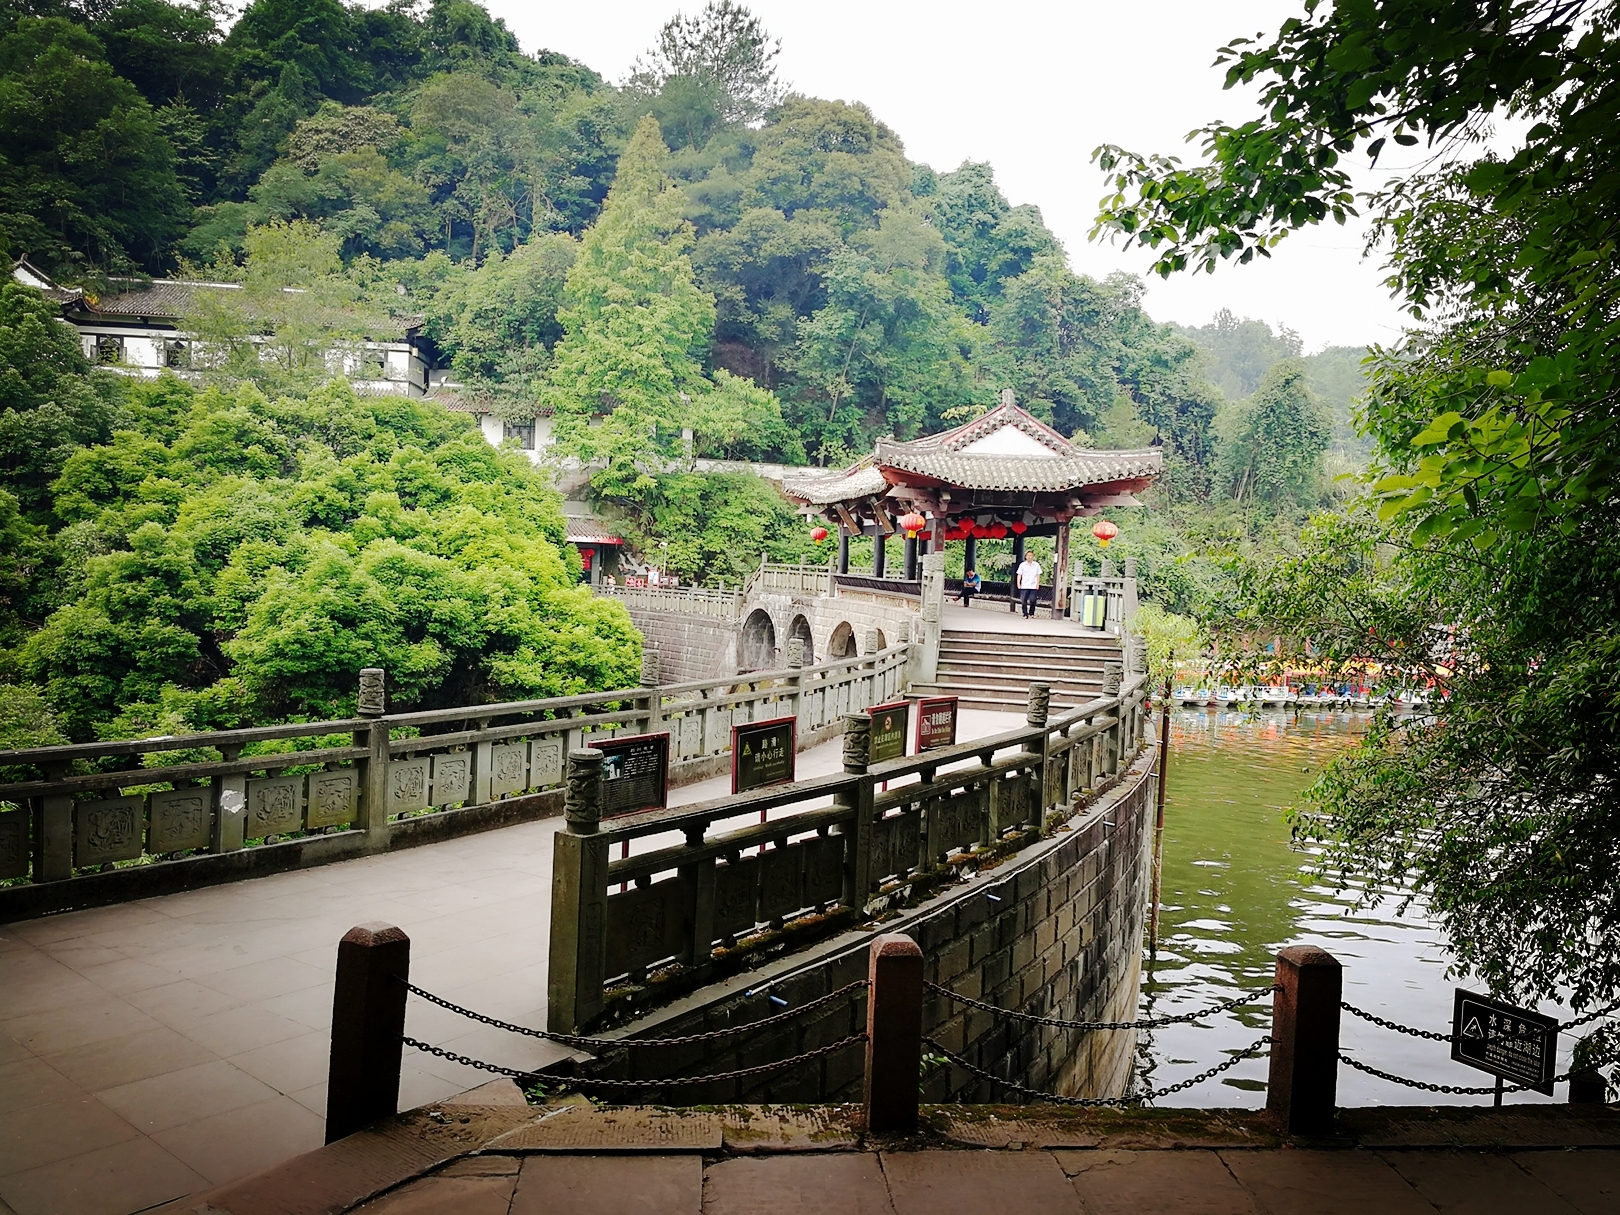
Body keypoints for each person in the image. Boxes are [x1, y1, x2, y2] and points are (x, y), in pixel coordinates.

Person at [1015, 553, 1042, 619]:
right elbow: (1019, 574)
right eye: (1028, 555)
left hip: (1033, 585)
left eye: (1031, 555)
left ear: (1033, 556)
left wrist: (1037, 584)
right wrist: (1018, 583)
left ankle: (1031, 613)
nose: (1029, 557)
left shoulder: (1036, 565)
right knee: (1023, 600)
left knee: (1033, 600)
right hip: (1024, 585)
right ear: (1025, 557)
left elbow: (1038, 575)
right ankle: (1025, 614)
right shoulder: (1022, 565)